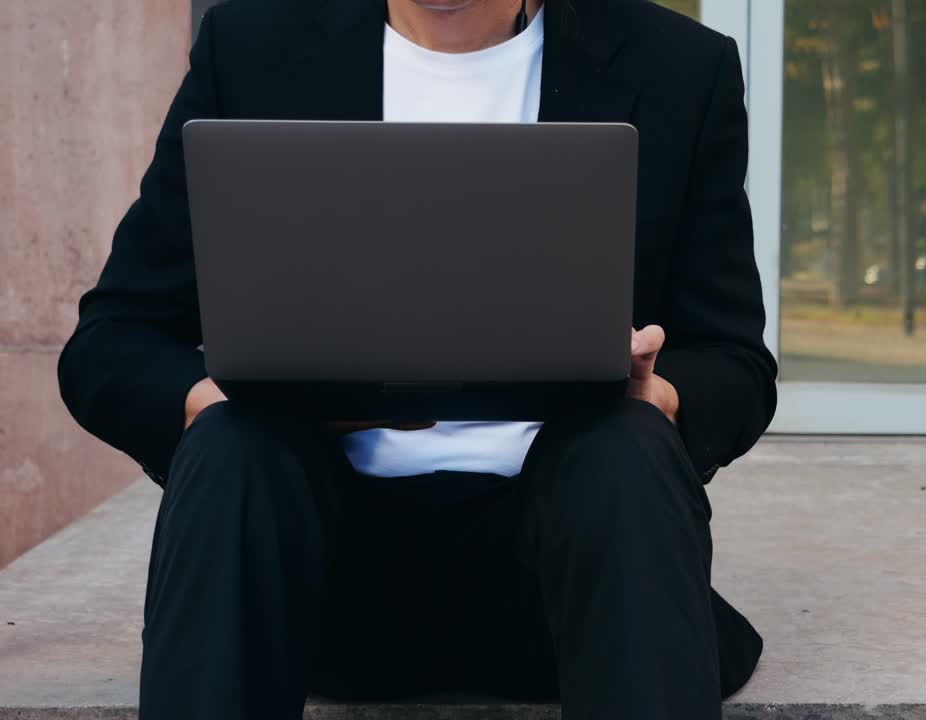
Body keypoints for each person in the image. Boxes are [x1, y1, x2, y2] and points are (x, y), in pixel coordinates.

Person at [57, 0, 777, 717]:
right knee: (231, 445)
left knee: (627, 446)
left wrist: (661, 397)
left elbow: (733, 359)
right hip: (325, 591)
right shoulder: (250, 51)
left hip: (570, 579)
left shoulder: (681, 66)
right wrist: (215, 402)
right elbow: (112, 342)